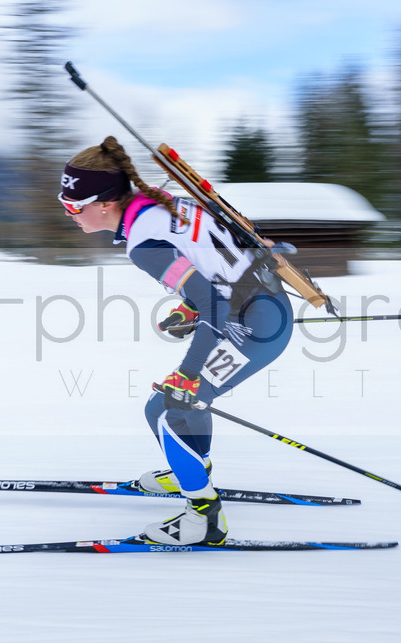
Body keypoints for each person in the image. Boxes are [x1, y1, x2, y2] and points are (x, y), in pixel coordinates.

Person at [58, 136, 293, 545]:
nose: (70, 215)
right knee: (175, 406)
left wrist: (187, 372)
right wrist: (192, 307)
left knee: (169, 409)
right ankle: (189, 473)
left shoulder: (143, 243)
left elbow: (216, 307)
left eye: (73, 207)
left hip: (254, 326)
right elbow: (215, 264)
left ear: (105, 204)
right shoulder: (160, 204)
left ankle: (204, 520)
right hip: (260, 306)